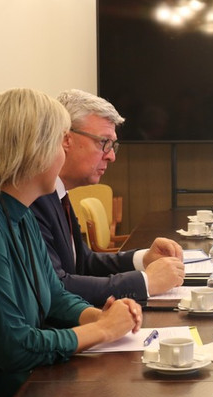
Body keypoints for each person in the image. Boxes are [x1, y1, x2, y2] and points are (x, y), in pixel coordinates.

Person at [0, 88, 141, 397]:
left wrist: (98, 315)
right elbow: (14, 348)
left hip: (22, 388)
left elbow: (53, 294)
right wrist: (102, 330)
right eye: (59, 143)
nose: (63, 154)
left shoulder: (16, 209)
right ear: (33, 150)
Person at [31, 89, 185, 307]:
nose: (111, 156)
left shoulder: (58, 193)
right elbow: (57, 287)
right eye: (103, 142)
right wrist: (146, 282)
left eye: (112, 146)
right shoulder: (34, 198)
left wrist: (143, 260)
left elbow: (84, 263)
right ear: (66, 138)